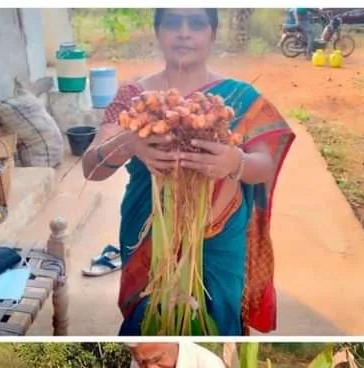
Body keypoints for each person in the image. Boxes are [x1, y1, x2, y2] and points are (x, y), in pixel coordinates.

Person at [83, 9, 296, 336]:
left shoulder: (240, 98)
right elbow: (90, 167)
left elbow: (263, 165)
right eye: (173, 23)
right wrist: (128, 143)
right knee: (149, 322)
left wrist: (235, 162)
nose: (184, 33)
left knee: (218, 322)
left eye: (196, 23)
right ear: (157, 31)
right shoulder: (133, 97)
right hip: (149, 231)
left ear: (211, 33)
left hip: (220, 236)